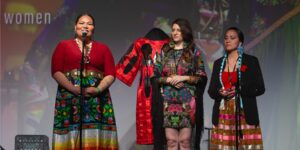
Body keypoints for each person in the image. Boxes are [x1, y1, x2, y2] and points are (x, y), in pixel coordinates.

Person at [51, 13, 118, 150]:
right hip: (69, 98)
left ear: (93, 28)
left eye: (89, 23)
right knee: (71, 134)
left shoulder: (103, 48)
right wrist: (73, 89)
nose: (85, 26)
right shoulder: (63, 45)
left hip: (97, 99)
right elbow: (56, 71)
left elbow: (111, 74)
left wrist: (98, 89)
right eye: (81, 23)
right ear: (75, 27)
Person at [152, 18, 207, 150]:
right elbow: (155, 76)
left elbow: (201, 77)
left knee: (185, 141)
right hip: (167, 102)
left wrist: (183, 78)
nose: (175, 33)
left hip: (187, 102)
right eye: (173, 30)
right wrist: (168, 80)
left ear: (185, 32)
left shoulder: (193, 52)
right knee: (170, 141)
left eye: (179, 30)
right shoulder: (164, 51)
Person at [208, 27, 265, 149]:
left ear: (240, 42)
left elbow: (260, 88)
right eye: (226, 38)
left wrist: (238, 90)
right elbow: (211, 91)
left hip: (244, 113)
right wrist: (220, 92)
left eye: (232, 38)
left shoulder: (251, 61)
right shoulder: (218, 63)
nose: (228, 40)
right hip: (223, 114)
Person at [115, 28, 169, 150]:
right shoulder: (170, 44)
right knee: (168, 136)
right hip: (164, 91)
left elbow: (124, 70)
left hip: (147, 93)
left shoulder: (140, 43)